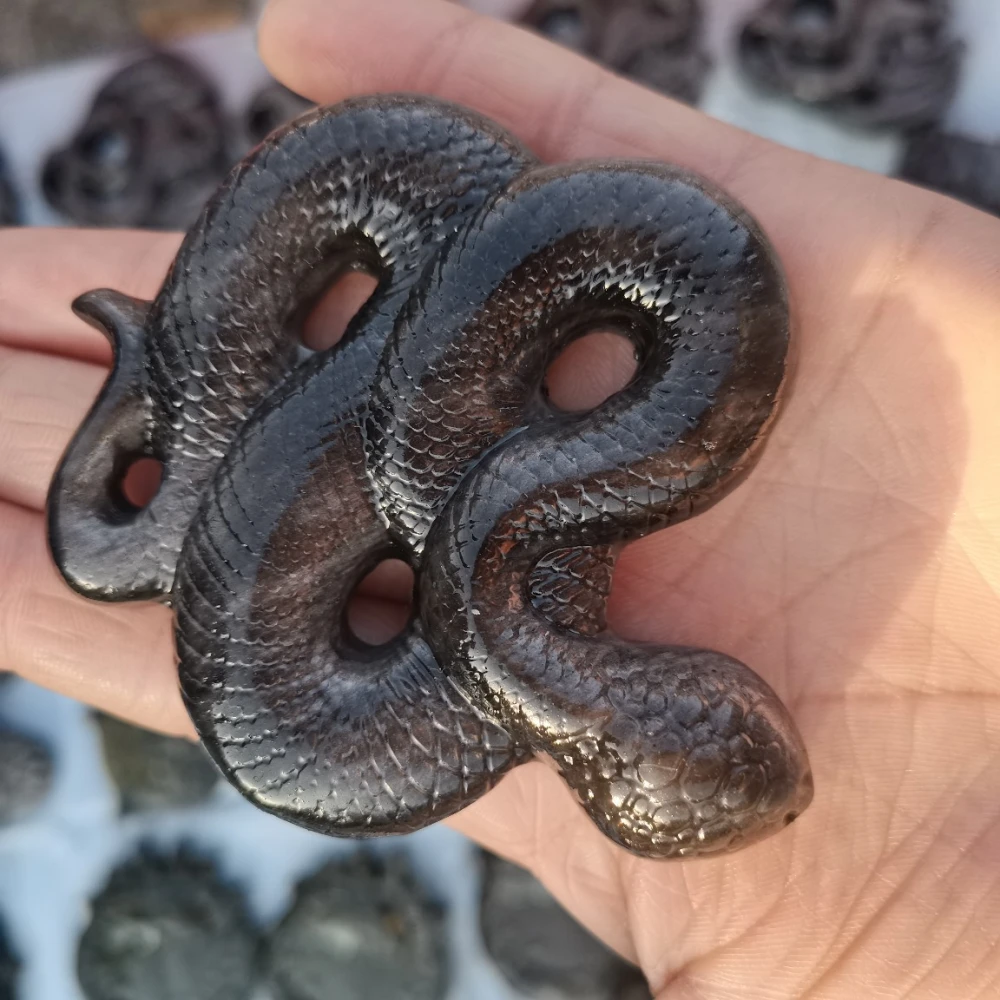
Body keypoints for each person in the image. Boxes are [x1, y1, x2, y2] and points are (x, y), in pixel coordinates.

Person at [1, 0, 998, 995]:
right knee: (139, 537)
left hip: (424, 207)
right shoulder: (533, 559)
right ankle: (167, 457)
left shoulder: (525, 560)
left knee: (145, 529)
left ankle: (176, 419)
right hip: (464, 206)